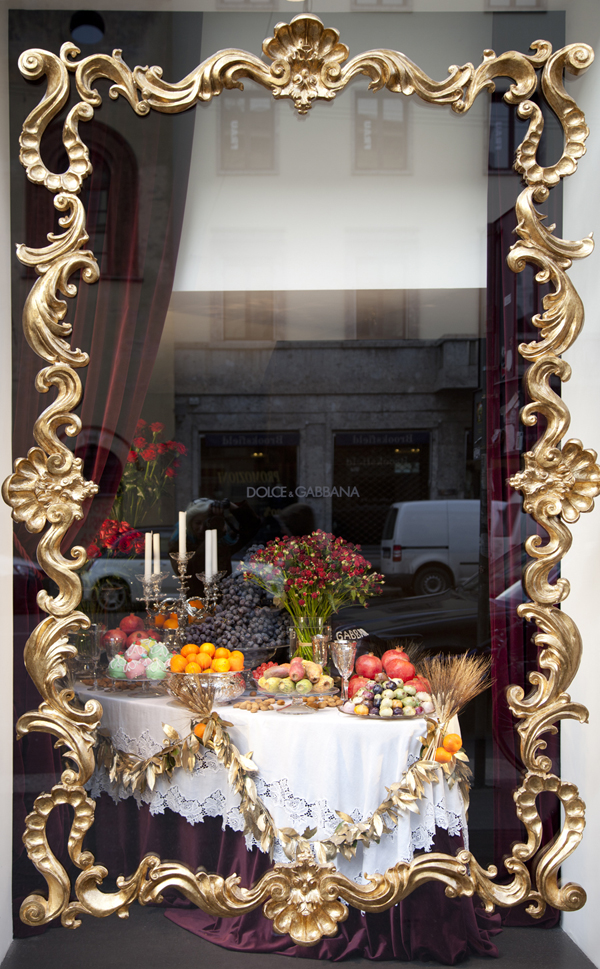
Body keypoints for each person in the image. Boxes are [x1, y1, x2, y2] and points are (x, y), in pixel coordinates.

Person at [168, 498, 260, 597]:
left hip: (223, 601)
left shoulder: (222, 543)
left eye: (206, 523)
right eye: (197, 523)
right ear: (189, 522)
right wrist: (214, 535)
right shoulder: (180, 544)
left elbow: (252, 527)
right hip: (195, 602)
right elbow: (189, 571)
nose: (201, 528)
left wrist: (232, 507)